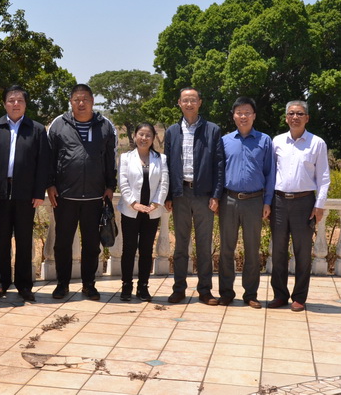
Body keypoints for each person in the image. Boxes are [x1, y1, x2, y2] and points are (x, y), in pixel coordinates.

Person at [47, 83, 117, 301]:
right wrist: (50, 184)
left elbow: (111, 159)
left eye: (85, 99)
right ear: (71, 101)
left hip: (95, 197)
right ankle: (62, 284)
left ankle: (89, 285)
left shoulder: (105, 126)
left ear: (92, 101)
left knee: (91, 245)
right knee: (62, 244)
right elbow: (49, 158)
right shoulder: (58, 124)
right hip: (65, 197)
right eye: (76, 99)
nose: (81, 103)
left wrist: (110, 186)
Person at [0, 85, 50, 303]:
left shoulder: (37, 130)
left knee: (24, 240)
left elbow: (43, 163)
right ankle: (1, 282)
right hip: (0, 192)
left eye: (20, 100)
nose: (15, 104)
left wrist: (39, 192)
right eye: (11, 100)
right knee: (2, 239)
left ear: (25, 104)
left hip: (26, 194)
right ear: (4, 104)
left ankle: (24, 285)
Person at [164, 87, 225, 305]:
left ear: (200, 103)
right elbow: (167, 165)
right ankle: (179, 289)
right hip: (180, 194)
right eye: (185, 100)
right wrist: (169, 195)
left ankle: (205, 291)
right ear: (179, 103)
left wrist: (216, 195)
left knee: (204, 245)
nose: (189, 104)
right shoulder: (172, 131)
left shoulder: (212, 130)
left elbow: (219, 164)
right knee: (181, 245)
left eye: (193, 100)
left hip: (203, 195)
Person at [269, 100, 331, 312]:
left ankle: (299, 297)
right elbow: (270, 174)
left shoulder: (317, 143)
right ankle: (279, 295)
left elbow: (323, 177)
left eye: (300, 113)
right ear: (286, 117)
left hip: (304, 203)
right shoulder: (277, 141)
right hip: (278, 202)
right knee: (278, 251)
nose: (295, 117)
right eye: (291, 113)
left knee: (303, 252)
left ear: (307, 118)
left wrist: (319, 205)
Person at [217, 97, 274, 309]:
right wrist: (216, 198)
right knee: (226, 249)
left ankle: (251, 294)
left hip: (254, 201)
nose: (243, 116)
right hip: (229, 200)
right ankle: (226, 292)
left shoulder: (264, 141)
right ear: (233, 116)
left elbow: (270, 173)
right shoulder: (225, 141)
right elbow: (218, 172)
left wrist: (267, 201)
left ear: (254, 116)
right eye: (239, 112)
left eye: (247, 112)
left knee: (252, 250)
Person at [117, 122, 169, 302]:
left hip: (151, 211)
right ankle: (126, 286)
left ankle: (143, 286)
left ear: (153, 138)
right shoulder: (126, 158)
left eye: (148, 135)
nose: (144, 138)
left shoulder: (161, 159)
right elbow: (123, 182)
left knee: (146, 250)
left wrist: (156, 203)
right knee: (129, 249)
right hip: (130, 211)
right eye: (141, 134)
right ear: (134, 136)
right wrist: (133, 203)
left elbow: (164, 182)